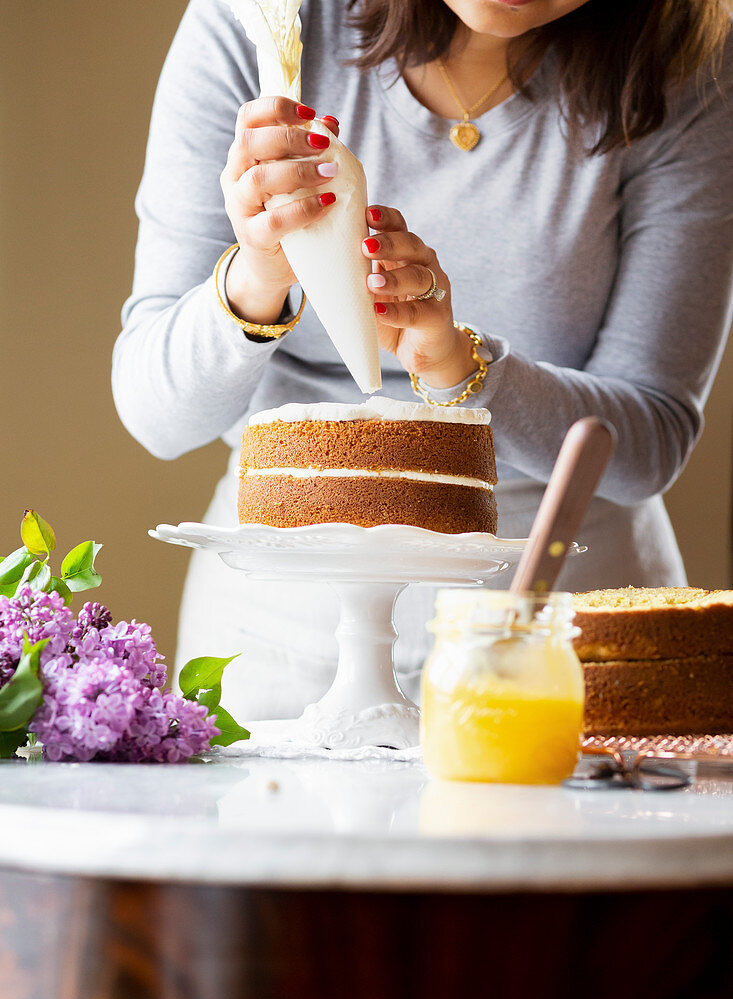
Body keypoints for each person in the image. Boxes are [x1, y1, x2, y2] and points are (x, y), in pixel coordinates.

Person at [113, 0, 733, 719]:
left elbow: (646, 443)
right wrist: (259, 277)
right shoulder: (261, 21)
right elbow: (156, 414)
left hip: (553, 631)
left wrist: (456, 365)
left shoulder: (684, 63)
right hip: (277, 639)